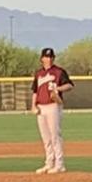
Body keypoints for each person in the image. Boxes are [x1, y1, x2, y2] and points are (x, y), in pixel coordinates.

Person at [30, 46, 73, 174]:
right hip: (41, 107)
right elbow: (35, 91)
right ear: (41, 59)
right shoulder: (38, 74)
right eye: (46, 57)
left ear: (53, 58)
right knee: (46, 137)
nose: (48, 59)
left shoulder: (59, 72)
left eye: (50, 57)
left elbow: (70, 85)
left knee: (55, 136)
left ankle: (59, 164)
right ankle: (49, 163)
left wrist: (58, 89)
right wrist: (33, 105)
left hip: (54, 105)